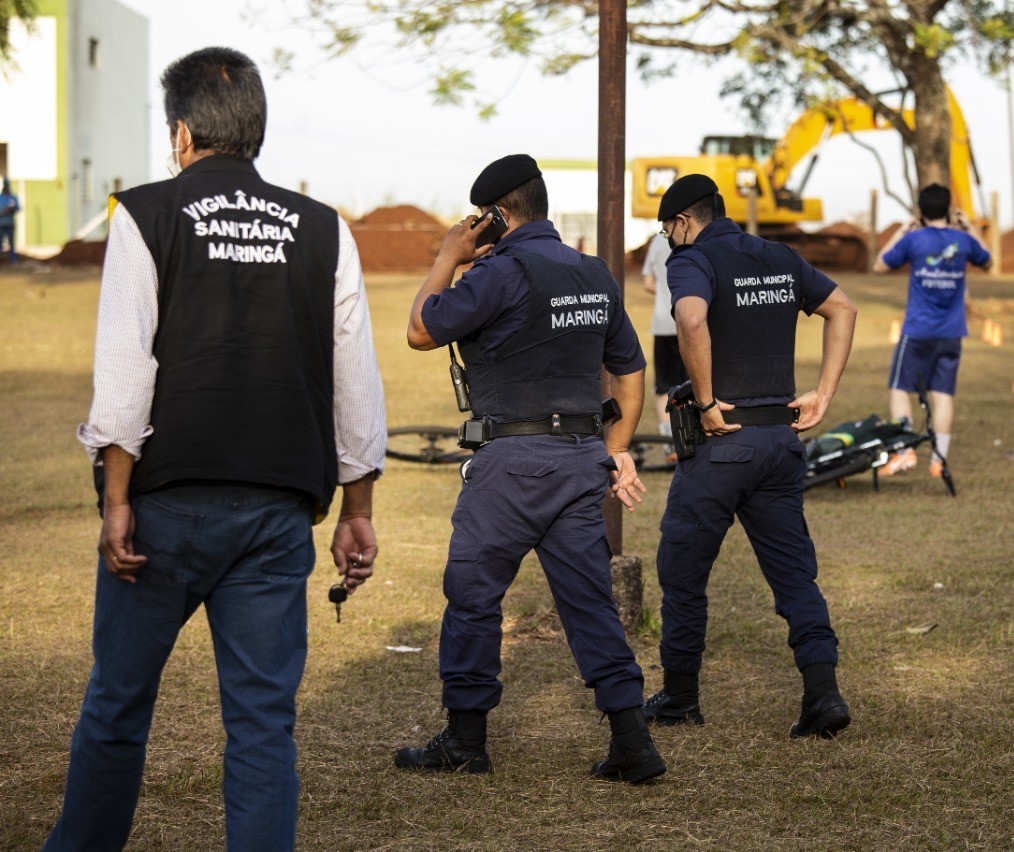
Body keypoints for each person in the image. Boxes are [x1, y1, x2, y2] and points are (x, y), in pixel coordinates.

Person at [44, 47, 386, 851]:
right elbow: (355, 380)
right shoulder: (324, 229)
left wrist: (116, 499)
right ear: (255, 130)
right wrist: (358, 509)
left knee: (119, 704)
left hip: (165, 505)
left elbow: (127, 374)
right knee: (263, 725)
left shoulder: (145, 214)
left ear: (181, 132)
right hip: (275, 513)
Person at [398, 153, 665, 784]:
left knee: (472, 598)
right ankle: (632, 741)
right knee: (591, 605)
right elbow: (630, 369)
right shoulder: (593, 273)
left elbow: (418, 330)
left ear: (495, 215)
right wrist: (615, 449)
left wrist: (446, 257)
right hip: (580, 464)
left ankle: (466, 742)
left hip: (512, 465)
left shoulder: (497, 275)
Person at [644, 174, 858, 739]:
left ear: (684, 222)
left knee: (683, 572)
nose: (668, 239)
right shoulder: (780, 256)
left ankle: (680, 697)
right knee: (795, 577)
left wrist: (708, 402)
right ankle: (823, 694)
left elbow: (690, 319)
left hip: (722, 446)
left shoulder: (694, 260)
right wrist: (823, 394)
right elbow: (842, 308)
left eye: (667, 230)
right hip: (781, 444)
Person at [873, 183, 991, 478]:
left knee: (900, 389)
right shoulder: (962, 241)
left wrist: (903, 230)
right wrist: (970, 228)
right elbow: (988, 260)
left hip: (917, 331)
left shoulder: (914, 239)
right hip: (952, 333)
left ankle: (904, 451)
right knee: (943, 394)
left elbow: (879, 266)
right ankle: (938, 459)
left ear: (921, 212)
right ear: (950, 210)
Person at [642, 231, 689, 450]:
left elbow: (648, 282)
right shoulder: (694, 238)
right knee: (692, 382)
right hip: (689, 320)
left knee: (663, 385)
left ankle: (668, 440)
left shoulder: (657, 242)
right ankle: (690, 435)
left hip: (662, 321)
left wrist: (663, 292)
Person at [0, 177, 20, 264]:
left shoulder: (13, 197)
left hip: (10, 224)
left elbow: (18, 208)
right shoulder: (1, 198)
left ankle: (12, 259)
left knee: (12, 243)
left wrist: (11, 209)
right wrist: (5, 210)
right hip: (1, 224)